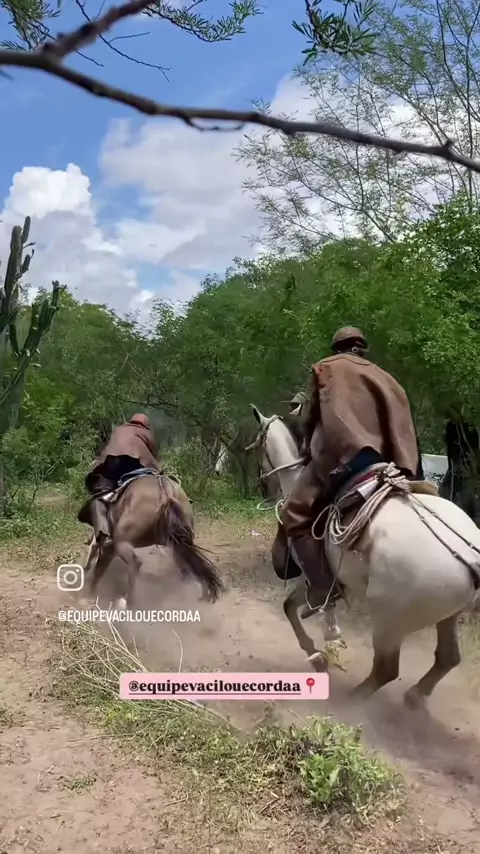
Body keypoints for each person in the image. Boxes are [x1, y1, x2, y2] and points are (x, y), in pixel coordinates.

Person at [280, 326, 420, 617]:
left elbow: (312, 418)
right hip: (392, 464)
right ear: (362, 348)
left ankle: (323, 588)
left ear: (337, 348)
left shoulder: (326, 369)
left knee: (295, 513)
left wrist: (307, 447)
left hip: (349, 460)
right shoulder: (386, 378)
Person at [79, 413, 160, 542]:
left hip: (114, 463)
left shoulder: (119, 429)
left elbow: (110, 447)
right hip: (139, 464)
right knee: (159, 485)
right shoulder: (147, 433)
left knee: (100, 497)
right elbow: (154, 454)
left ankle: (102, 532)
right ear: (146, 425)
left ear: (131, 420)